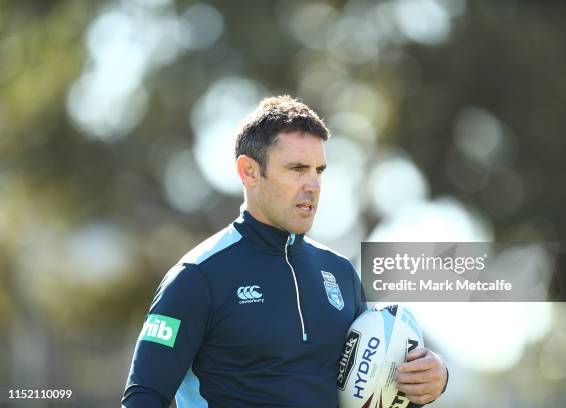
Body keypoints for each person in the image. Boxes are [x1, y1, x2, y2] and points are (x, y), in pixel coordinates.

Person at [122, 96, 448, 407]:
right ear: (249, 172)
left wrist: (431, 381)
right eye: (297, 169)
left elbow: (374, 389)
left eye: (319, 170)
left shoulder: (341, 273)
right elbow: (143, 396)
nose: (313, 185)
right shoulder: (198, 276)